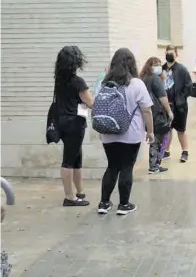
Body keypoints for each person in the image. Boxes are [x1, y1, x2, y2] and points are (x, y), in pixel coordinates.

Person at [97, 48, 154, 215]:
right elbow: (147, 111)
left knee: (112, 166)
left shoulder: (104, 83)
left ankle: (104, 203)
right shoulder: (136, 84)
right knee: (127, 167)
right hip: (131, 133)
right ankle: (124, 205)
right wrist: (150, 132)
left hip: (107, 132)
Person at [54, 46, 94, 207]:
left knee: (76, 157)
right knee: (70, 160)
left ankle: (80, 191)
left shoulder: (59, 80)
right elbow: (90, 102)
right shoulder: (78, 82)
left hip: (62, 122)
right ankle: (69, 197)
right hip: (75, 124)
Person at [140, 57, 173, 174]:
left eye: (159, 64)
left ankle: (155, 164)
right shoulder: (155, 78)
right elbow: (162, 97)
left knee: (154, 136)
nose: (158, 66)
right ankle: (154, 165)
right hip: (156, 112)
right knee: (158, 139)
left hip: (144, 113)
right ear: (149, 65)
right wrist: (169, 111)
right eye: (155, 64)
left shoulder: (142, 78)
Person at [162, 45, 192, 163]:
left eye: (172, 53)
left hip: (179, 106)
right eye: (167, 52)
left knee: (181, 129)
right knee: (167, 129)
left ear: (176, 54)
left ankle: (185, 151)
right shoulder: (161, 69)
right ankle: (166, 151)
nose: (169, 54)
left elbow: (189, 86)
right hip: (166, 105)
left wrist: (181, 99)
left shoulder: (182, 69)